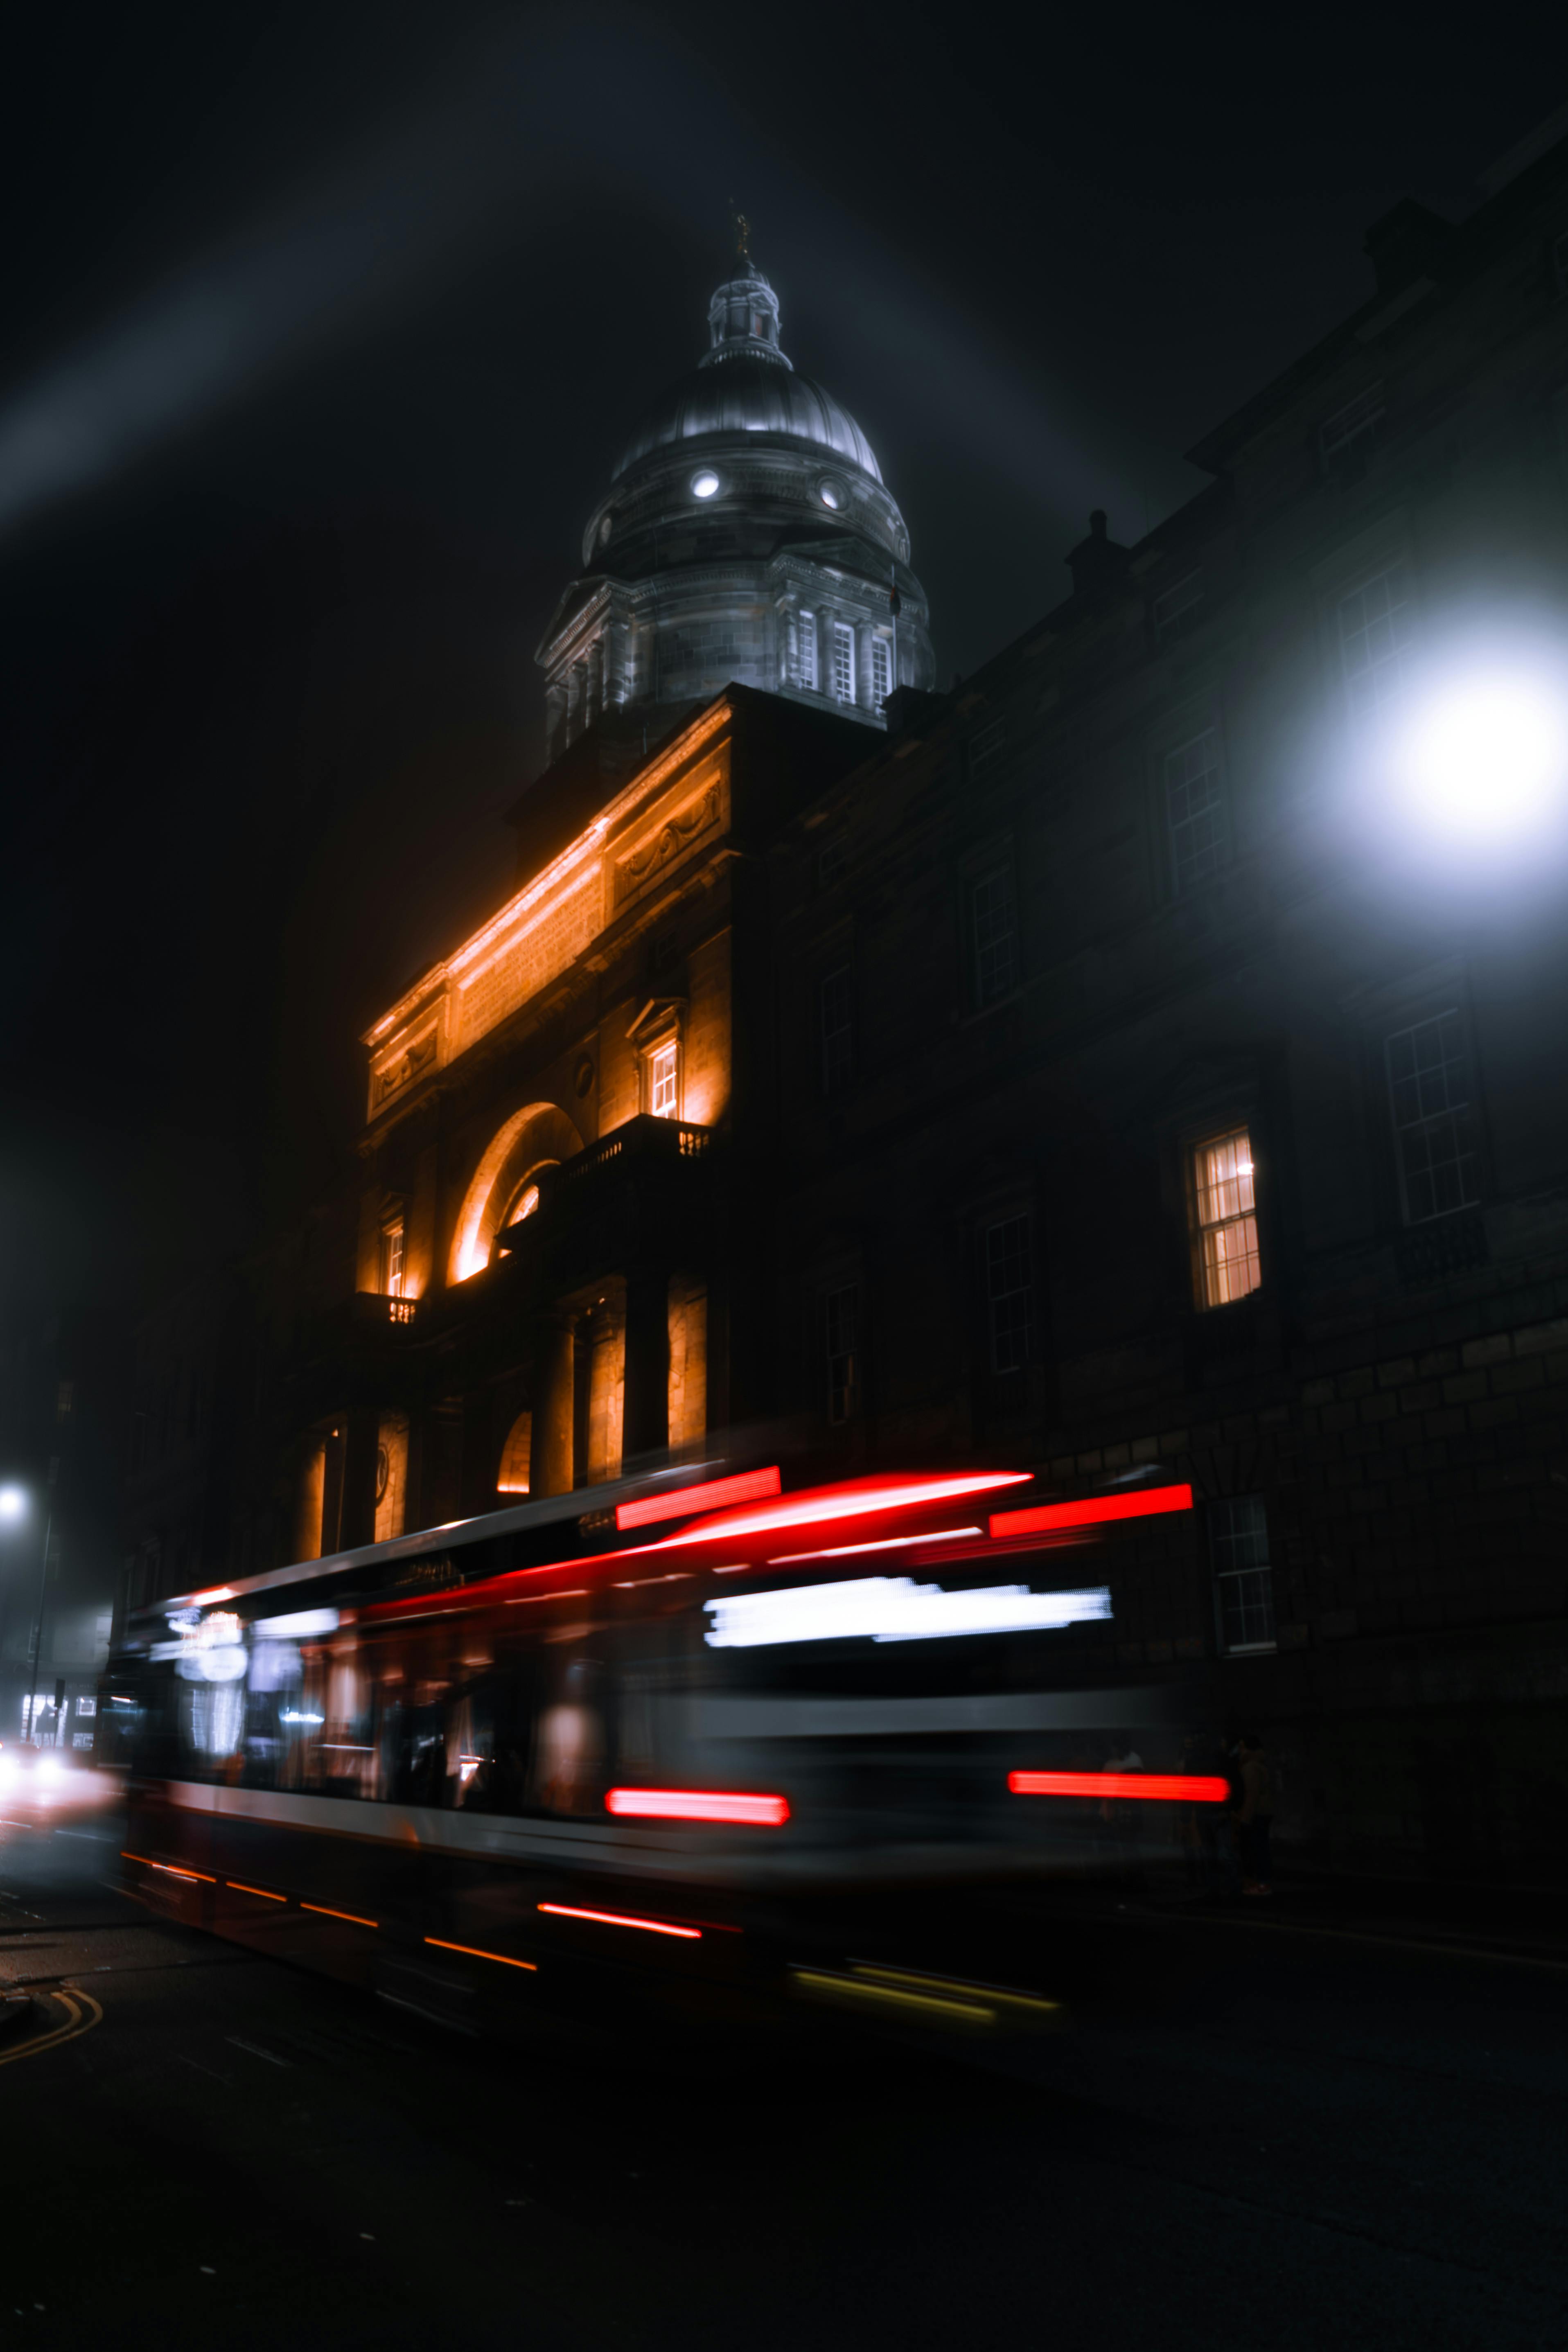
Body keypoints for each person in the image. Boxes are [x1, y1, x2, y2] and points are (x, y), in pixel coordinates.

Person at [1236, 1729, 1274, 1895]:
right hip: (1263, 1813)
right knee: (1261, 1848)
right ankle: (1263, 1883)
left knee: (1257, 1850)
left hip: (1256, 1814)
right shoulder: (1260, 1764)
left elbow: (1251, 1795)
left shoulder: (1250, 1767)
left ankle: (1261, 1885)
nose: (1239, 1751)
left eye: (1241, 1747)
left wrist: (1245, 1819)